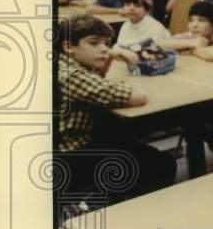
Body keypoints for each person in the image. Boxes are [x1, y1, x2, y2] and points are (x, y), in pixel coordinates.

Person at [56, 14, 177, 216]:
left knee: (124, 137)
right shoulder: (71, 75)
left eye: (107, 43)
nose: (104, 48)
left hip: (66, 146)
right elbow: (137, 97)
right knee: (161, 164)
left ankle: (112, 199)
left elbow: (96, 80)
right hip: (72, 157)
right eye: (94, 43)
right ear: (69, 47)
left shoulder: (64, 64)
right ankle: (121, 212)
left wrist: (110, 56)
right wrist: (136, 82)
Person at [110, 0, 171, 64]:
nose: (131, 8)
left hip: (158, 54)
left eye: (137, 6)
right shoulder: (126, 25)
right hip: (134, 50)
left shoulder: (153, 24)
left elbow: (150, 45)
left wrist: (129, 48)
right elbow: (120, 43)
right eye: (127, 5)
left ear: (147, 11)